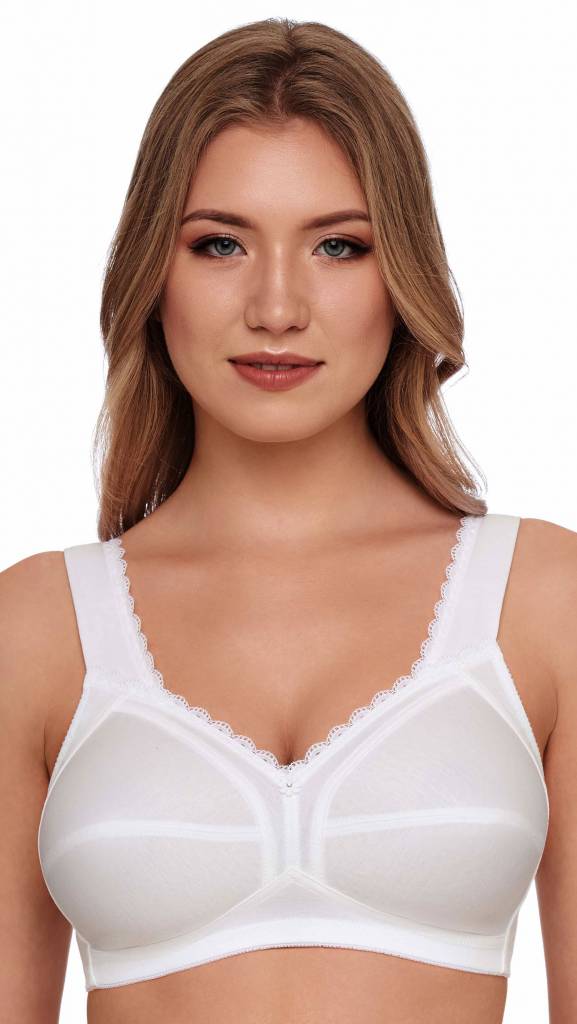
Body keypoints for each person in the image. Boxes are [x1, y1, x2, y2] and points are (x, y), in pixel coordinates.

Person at [1, 16, 574, 1024]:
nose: (276, 307)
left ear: (400, 274)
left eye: (337, 246)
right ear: (153, 272)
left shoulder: (541, 602)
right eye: (219, 243)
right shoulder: (38, 627)